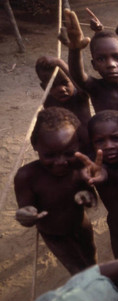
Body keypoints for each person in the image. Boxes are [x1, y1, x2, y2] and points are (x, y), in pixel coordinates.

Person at [14, 107, 96, 275]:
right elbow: (25, 209)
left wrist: (87, 196)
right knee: (77, 270)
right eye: (50, 155)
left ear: (78, 145)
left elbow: (92, 197)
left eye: (69, 153)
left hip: (81, 225)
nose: (60, 162)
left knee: (91, 258)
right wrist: (26, 215)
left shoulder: (81, 168)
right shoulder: (27, 176)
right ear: (35, 146)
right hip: (54, 234)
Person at [77, 111, 118, 259]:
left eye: (116, 138)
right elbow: (101, 172)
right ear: (92, 144)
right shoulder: (97, 166)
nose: (108, 146)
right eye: (100, 141)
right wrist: (92, 175)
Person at [35, 55, 91, 153]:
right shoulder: (48, 101)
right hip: (66, 149)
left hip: (88, 146)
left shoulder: (80, 96)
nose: (61, 89)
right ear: (44, 87)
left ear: (72, 81)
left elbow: (81, 83)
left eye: (65, 82)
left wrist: (60, 63)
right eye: (53, 85)